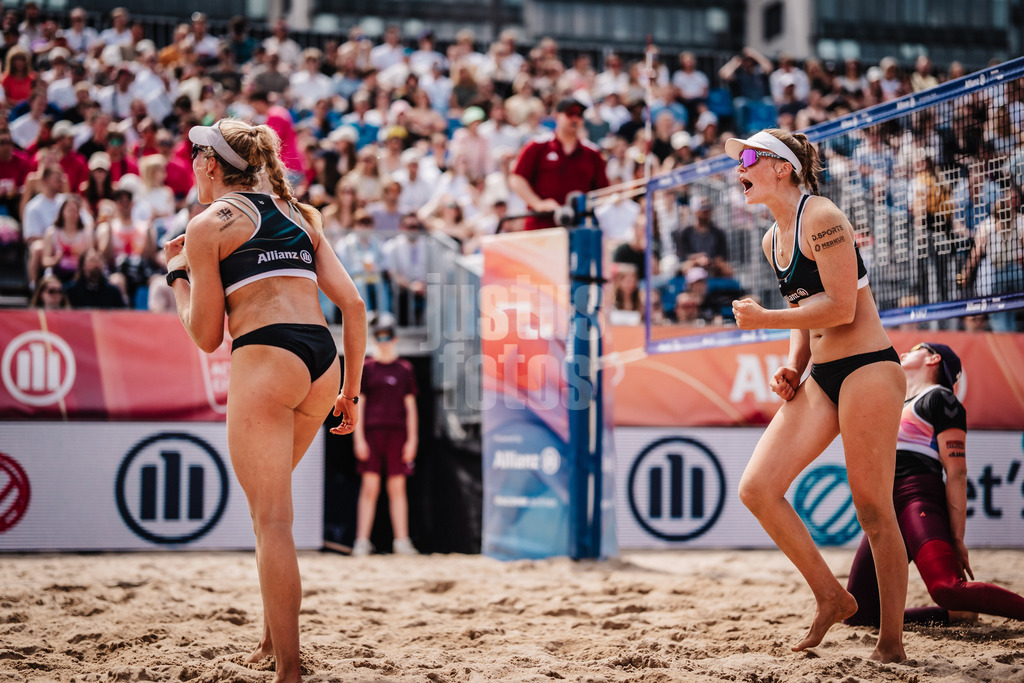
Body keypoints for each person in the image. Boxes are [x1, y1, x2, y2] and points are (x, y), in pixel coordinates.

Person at [163, 118, 366, 682]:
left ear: (208, 164)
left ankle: (291, 672)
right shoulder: (302, 215)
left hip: (268, 357)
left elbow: (206, 337)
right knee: (268, 514)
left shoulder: (208, 225)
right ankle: (271, 641)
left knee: (272, 520)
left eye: (194, 157)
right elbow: (353, 305)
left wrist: (177, 274)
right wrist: (350, 391)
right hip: (323, 363)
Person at [728, 129, 908, 663]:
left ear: (781, 167)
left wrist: (765, 318)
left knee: (874, 510)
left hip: (869, 369)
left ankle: (891, 643)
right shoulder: (772, 237)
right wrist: (791, 363)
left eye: (748, 156)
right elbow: (807, 315)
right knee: (758, 488)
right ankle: (833, 596)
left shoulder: (823, 216)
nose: (739, 166)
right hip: (822, 376)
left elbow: (841, 310)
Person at [845, 342, 1024, 627]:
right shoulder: (896, 402)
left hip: (917, 497)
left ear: (933, 359)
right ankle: (957, 616)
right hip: (885, 507)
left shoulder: (940, 398)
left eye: (915, 349)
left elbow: (957, 473)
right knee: (857, 613)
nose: (904, 353)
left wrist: (957, 539)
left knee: (947, 588)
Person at [351, 315, 419, 557]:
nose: (383, 341)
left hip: (397, 434)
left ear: (395, 338)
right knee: (370, 487)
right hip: (371, 432)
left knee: (397, 488)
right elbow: (359, 404)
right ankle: (362, 541)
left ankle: (401, 541)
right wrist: (357, 438)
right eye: (379, 336)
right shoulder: (368, 368)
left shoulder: (405, 369)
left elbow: (410, 408)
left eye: (387, 336)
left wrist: (412, 440)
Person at [509, 97, 609, 231]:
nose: (574, 119)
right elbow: (517, 179)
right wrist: (538, 204)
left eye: (579, 115)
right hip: (542, 224)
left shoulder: (592, 153)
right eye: (569, 114)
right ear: (556, 116)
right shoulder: (537, 146)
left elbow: (603, 191)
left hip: (579, 225)